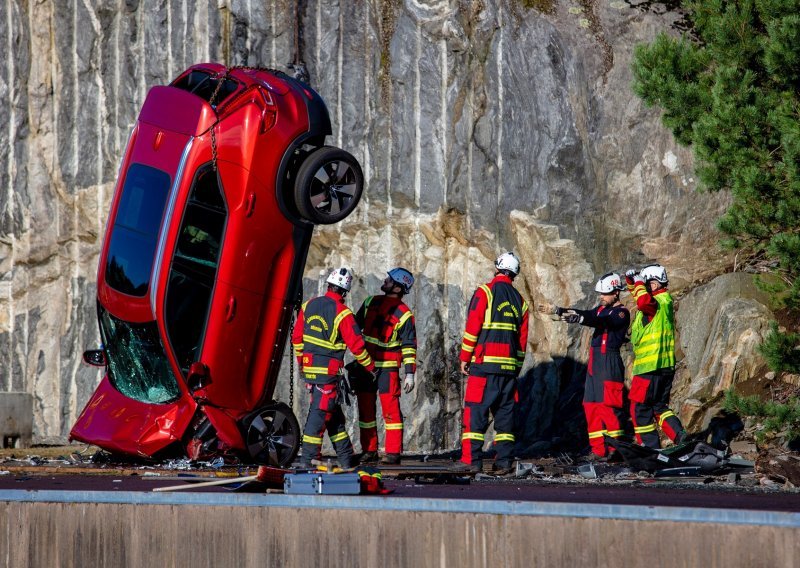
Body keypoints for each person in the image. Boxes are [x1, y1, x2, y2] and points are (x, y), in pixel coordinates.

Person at [538, 272, 630, 459]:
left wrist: (580, 320)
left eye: (605, 294)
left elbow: (603, 321)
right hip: (595, 364)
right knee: (590, 405)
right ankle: (598, 450)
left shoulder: (621, 313)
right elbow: (586, 314)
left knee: (608, 407)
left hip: (609, 362)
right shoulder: (601, 309)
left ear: (616, 293)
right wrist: (558, 310)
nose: (601, 297)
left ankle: (615, 450)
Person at [291, 267, 376, 468]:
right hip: (328, 375)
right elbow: (357, 346)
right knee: (318, 417)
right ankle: (307, 461)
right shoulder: (343, 313)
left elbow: (297, 338)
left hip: (311, 372)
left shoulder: (308, 305)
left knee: (333, 416)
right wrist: (371, 367)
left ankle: (347, 459)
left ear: (328, 285)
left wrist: (303, 364)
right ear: (345, 292)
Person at [453, 252, 529, 475]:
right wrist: (515, 368)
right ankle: (503, 462)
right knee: (505, 419)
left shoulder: (485, 292)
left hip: (484, 367)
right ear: (514, 274)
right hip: (508, 371)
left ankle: (471, 460)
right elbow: (521, 343)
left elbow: (473, 327)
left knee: (475, 414)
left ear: (497, 268)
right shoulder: (521, 302)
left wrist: (465, 358)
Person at [353, 268, 417, 465]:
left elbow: (409, 346)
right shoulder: (370, 302)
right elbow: (353, 329)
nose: (385, 280)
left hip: (387, 369)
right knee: (365, 411)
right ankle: (369, 450)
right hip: (365, 365)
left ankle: (392, 453)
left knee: (391, 411)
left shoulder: (405, 314)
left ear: (398, 287)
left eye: (389, 280)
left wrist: (409, 373)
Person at [625, 264, 686, 448]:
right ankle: (681, 438)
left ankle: (650, 449)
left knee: (640, 409)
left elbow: (643, 301)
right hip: (664, 368)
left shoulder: (654, 302)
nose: (642, 287)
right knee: (659, 408)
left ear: (654, 283)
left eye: (646, 283)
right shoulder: (663, 300)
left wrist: (637, 281)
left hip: (649, 368)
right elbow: (640, 296)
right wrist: (632, 281)